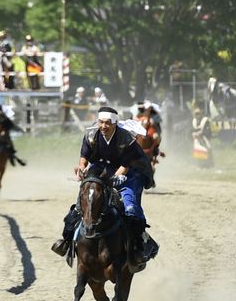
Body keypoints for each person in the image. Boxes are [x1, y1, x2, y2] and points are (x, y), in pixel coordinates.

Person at [51, 106, 158, 267]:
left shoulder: (126, 138)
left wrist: (115, 178)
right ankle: (66, 242)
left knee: (130, 209)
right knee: (81, 206)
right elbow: (84, 157)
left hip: (129, 174)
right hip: (101, 169)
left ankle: (141, 243)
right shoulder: (91, 134)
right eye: (101, 122)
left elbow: (125, 165)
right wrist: (81, 168)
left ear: (115, 123)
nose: (103, 126)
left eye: (107, 123)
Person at [191, 104, 214, 169]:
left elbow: (207, 130)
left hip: (204, 137)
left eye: (198, 113)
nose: (197, 115)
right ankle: (200, 165)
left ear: (201, 114)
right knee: (197, 150)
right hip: (197, 138)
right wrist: (193, 134)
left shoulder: (205, 120)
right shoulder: (194, 121)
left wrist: (200, 133)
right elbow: (191, 130)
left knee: (208, 148)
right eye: (195, 114)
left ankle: (209, 165)